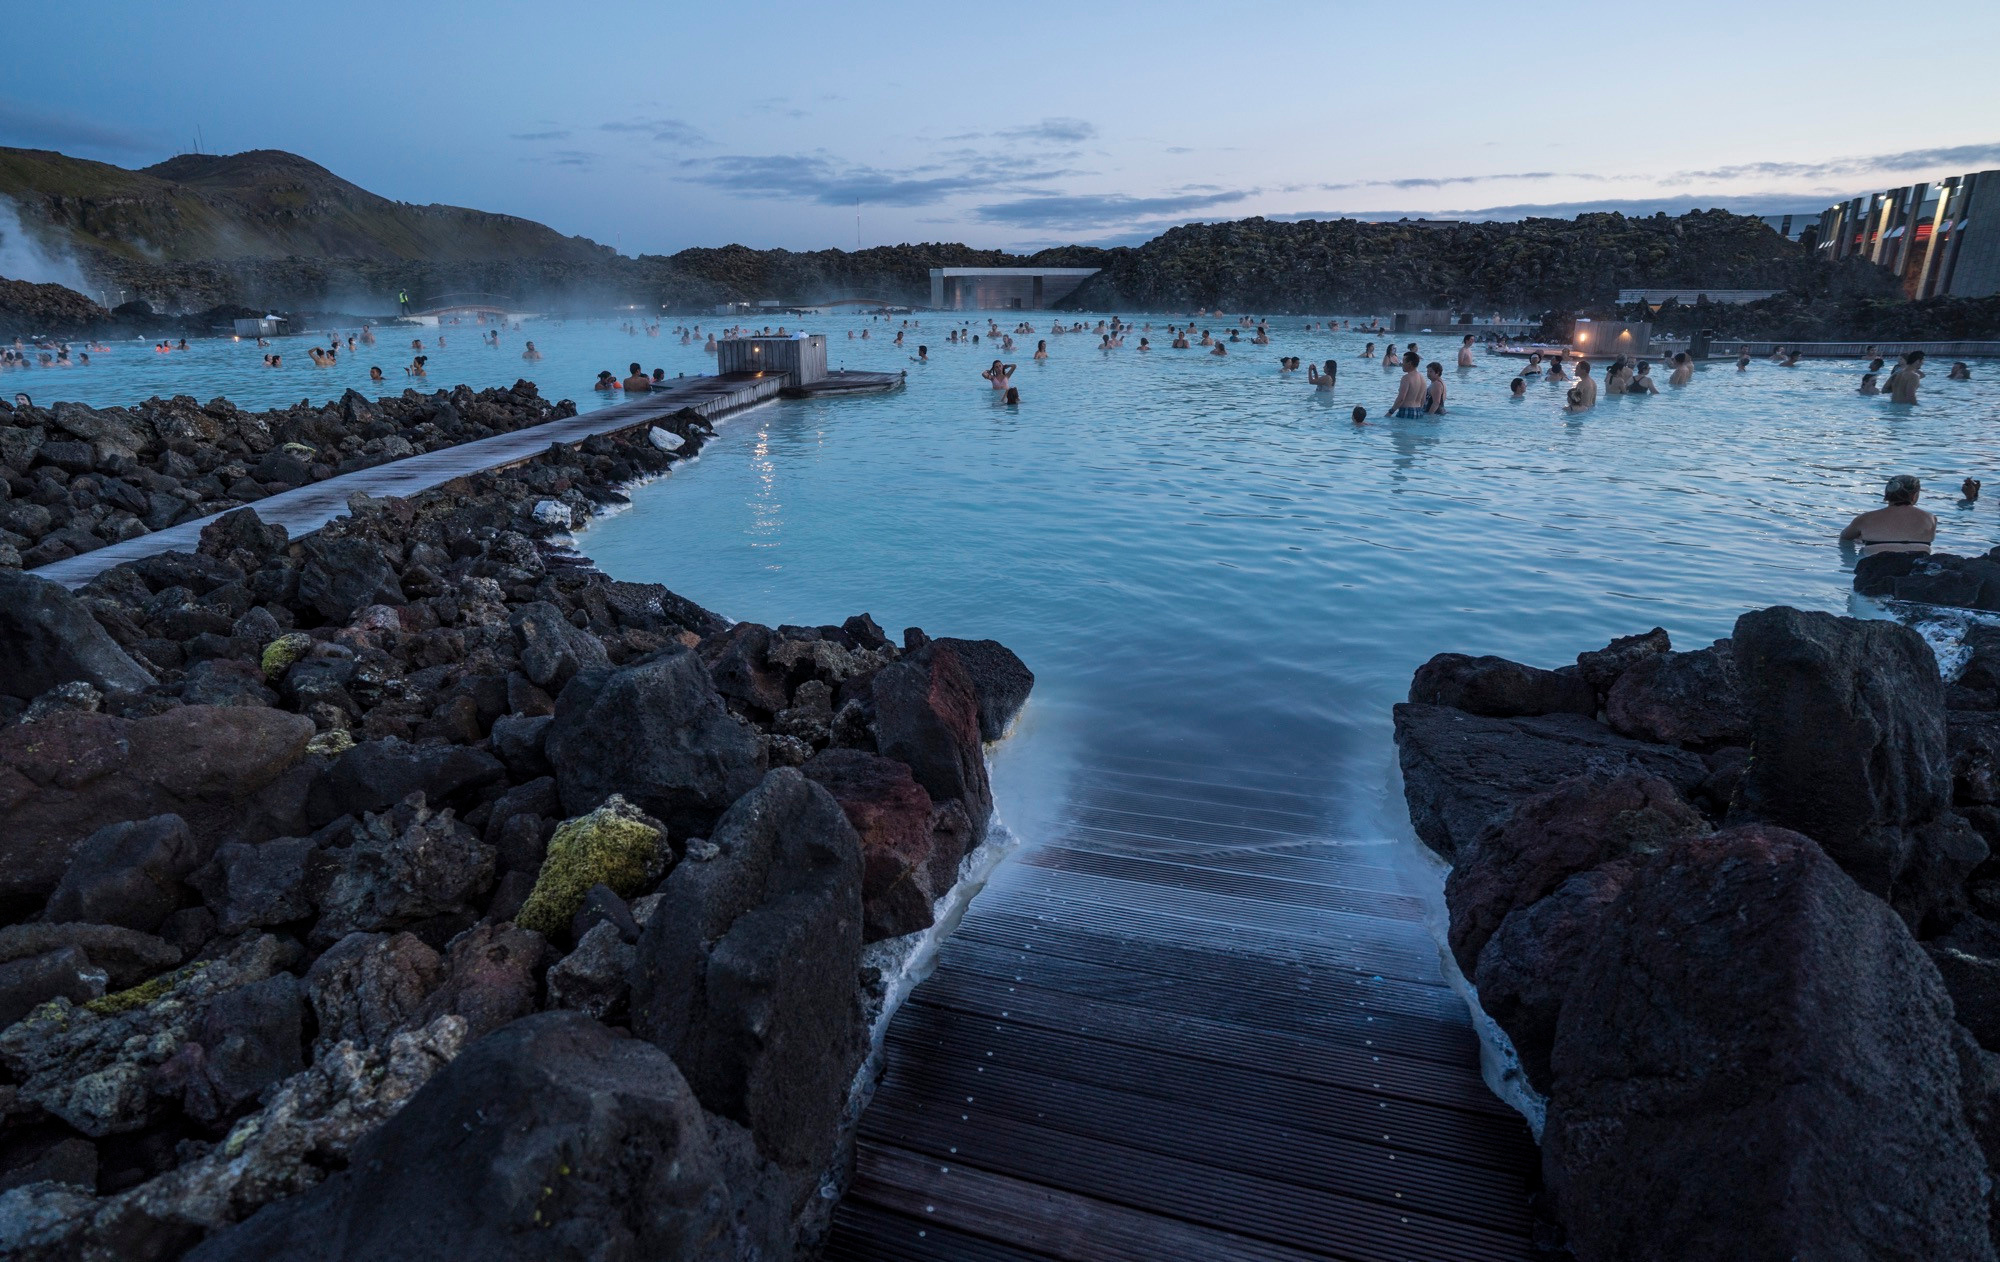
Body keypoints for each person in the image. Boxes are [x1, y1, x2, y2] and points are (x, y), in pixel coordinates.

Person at [1840, 475, 1936, 557]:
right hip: (1917, 565)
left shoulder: (1865, 518)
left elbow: (1844, 538)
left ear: (1886, 493)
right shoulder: (1930, 518)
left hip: (1876, 566)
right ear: (1914, 496)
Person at [1389, 352, 1426, 417]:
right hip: (1419, 412)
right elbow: (1423, 399)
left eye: (1403, 361)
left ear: (1409, 364)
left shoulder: (1406, 378)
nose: (1401, 364)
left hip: (1406, 411)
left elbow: (1401, 399)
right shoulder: (1423, 378)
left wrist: (1390, 412)